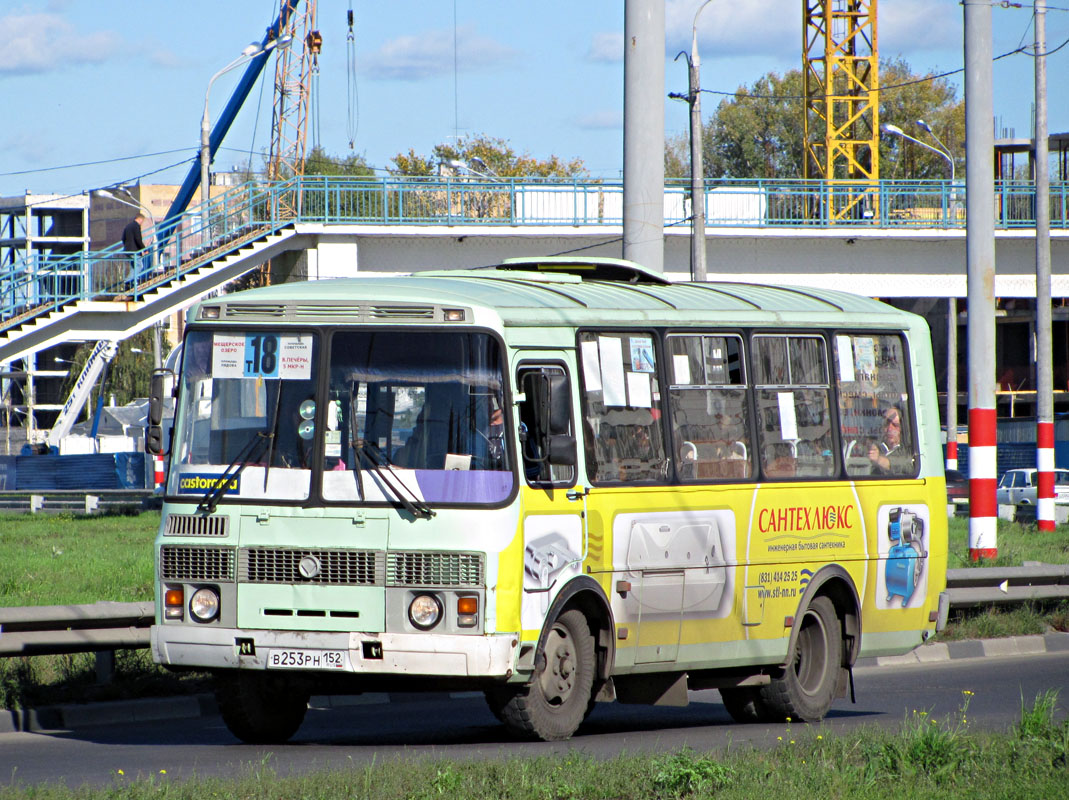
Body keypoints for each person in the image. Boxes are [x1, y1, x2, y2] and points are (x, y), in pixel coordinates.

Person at [868, 406, 909, 474]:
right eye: (886, 424)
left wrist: (878, 459)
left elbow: (906, 465)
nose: (889, 429)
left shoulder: (909, 449)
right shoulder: (877, 447)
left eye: (895, 425)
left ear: (902, 428)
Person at [121, 212, 146, 291]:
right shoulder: (136, 226)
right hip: (134, 251)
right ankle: (128, 281)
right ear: (139, 219)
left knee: (133, 266)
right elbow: (138, 239)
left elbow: (123, 238)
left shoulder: (128, 226)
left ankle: (130, 283)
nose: (142, 223)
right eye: (142, 221)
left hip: (128, 250)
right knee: (139, 266)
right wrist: (143, 249)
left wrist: (126, 246)